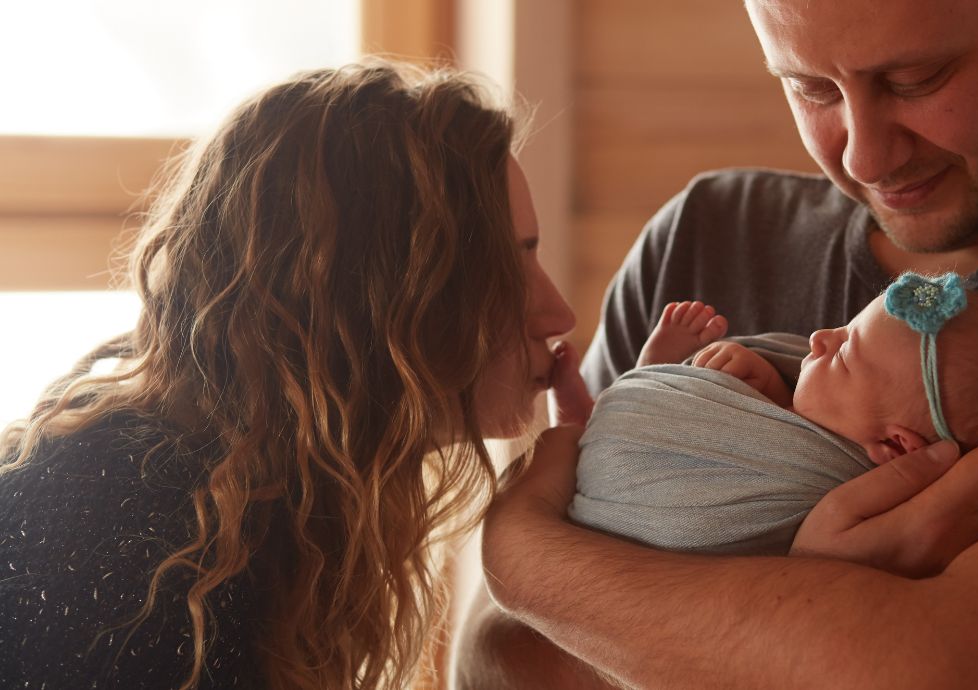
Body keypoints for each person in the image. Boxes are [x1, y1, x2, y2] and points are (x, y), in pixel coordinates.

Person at [458, 0, 978, 688]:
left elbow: (944, 674)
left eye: (917, 78)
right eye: (811, 89)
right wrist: (815, 605)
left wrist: (521, 553)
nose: (867, 158)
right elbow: (502, 654)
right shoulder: (709, 231)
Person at [0, 60, 577, 690]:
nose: (558, 313)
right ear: (375, 297)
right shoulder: (131, 544)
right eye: (509, 268)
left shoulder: (272, 513)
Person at [571, 275, 978, 555]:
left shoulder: (844, 489)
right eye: (845, 327)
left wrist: (721, 394)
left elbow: (767, 468)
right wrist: (763, 384)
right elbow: (787, 418)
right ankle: (660, 378)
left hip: (648, 510)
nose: (821, 335)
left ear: (896, 448)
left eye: (844, 352)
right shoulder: (839, 416)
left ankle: (655, 374)